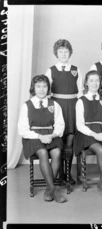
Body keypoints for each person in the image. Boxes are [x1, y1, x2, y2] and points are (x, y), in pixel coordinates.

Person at [18, 75, 66, 203]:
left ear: (48, 88)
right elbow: (22, 130)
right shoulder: (27, 105)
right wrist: (39, 136)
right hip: (33, 137)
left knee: (56, 152)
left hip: (51, 135)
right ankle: (53, 189)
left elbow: (60, 124)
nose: (41, 89)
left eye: (45, 86)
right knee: (43, 152)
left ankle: (48, 190)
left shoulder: (54, 104)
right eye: (38, 86)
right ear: (33, 88)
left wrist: (53, 135)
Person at [73, 70, 102, 200]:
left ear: (100, 82)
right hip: (86, 133)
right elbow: (80, 124)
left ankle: (101, 181)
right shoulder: (81, 101)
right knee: (100, 149)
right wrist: (94, 135)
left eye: (97, 80)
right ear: (86, 82)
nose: (94, 83)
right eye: (91, 80)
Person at [45, 39, 84, 185]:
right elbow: (46, 92)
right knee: (59, 139)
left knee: (70, 140)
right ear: (56, 53)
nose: (63, 54)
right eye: (60, 51)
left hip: (72, 105)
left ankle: (67, 174)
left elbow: (80, 92)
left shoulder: (75, 69)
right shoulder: (51, 70)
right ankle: (58, 173)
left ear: (70, 53)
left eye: (66, 51)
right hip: (56, 105)